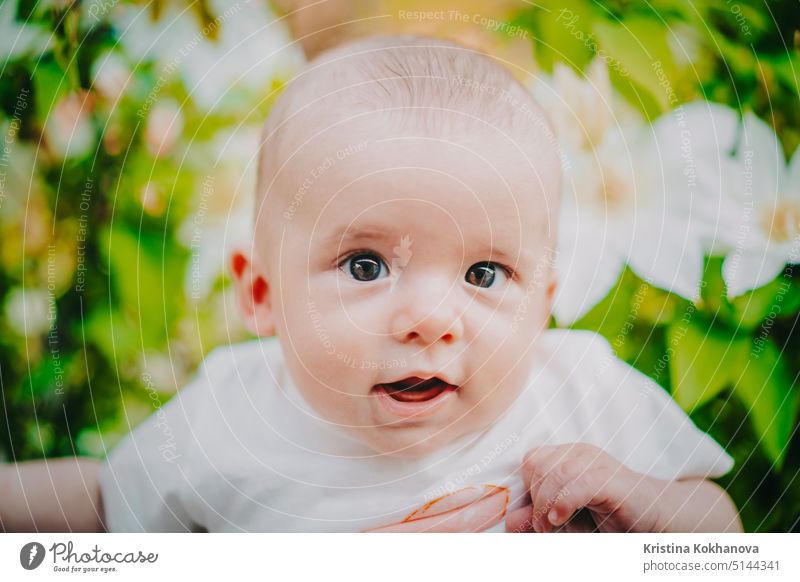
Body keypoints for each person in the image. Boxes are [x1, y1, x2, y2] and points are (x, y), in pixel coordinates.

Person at [0, 36, 741, 533]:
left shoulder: (582, 396)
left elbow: (724, 529)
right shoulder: (231, 417)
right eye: (365, 266)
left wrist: (643, 501)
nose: (428, 319)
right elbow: (105, 502)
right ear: (262, 295)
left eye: (485, 273)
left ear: (545, 305)